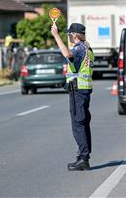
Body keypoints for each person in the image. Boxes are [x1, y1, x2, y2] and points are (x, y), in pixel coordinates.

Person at [51, 23, 94, 171]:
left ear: (75, 35)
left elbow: (68, 55)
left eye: (69, 34)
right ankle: (83, 155)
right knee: (83, 123)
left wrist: (56, 35)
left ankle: (83, 158)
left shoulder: (79, 48)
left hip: (79, 91)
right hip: (83, 89)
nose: (68, 36)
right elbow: (76, 66)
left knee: (78, 124)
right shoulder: (87, 48)